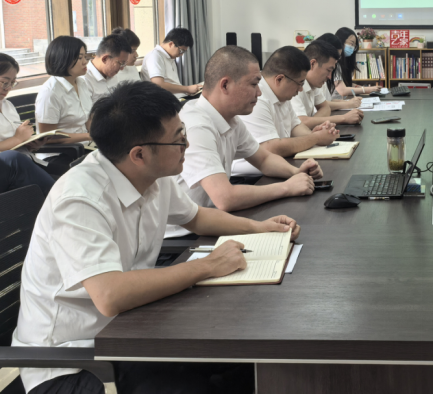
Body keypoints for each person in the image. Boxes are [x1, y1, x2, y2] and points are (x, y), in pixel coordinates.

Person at [12, 81, 300, 394]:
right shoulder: (80, 198)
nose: (187, 145)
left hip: (129, 329)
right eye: (178, 139)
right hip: (71, 358)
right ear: (139, 154)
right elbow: (110, 296)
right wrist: (208, 265)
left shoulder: (150, 174)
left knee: (245, 359)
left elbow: (196, 217)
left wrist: (259, 227)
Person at [174, 46, 320, 224]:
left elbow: (264, 159)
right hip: (189, 234)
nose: (259, 92)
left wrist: (296, 172)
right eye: (253, 84)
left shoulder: (232, 120)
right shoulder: (197, 126)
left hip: (214, 220)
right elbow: (225, 198)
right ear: (225, 85)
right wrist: (287, 187)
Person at [235, 47, 339, 164]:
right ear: (279, 79)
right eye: (300, 83)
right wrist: (316, 138)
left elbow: (295, 127)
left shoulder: (282, 95)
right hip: (250, 174)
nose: (300, 89)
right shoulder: (257, 98)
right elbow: (271, 148)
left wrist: (315, 135)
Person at [0, 53, 54, 196]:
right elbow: (11, 150)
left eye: (12, 83)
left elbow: (16, 144)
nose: (8, 88)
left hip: (24, 164)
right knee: (12, 158)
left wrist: (30, 144)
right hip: (8, 167)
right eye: (4, 82)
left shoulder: (8, 106)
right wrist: (17, 139)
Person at [291, 40, 364, 128]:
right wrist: (343, 118)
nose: (330, 77)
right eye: (328, 70)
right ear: (312, 64)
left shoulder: (314, 84)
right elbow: (301, 123)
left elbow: (326, 108)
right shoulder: (294, 85)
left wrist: (312, 123)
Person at [35, 36, 92, 145]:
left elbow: (88, 120)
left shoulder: (81, 83)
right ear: (64, 59)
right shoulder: (50, 92)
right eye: (80, 58)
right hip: (62, 151)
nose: (85, 62)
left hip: (85, 146)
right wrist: (89, 136)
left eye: (85, 57)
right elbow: (48, 137)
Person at [140, 27, 201, 98]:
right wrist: (187, 89)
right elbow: (158, 84)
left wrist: (187, 91)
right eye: (181, 51)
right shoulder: (154, 56)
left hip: (178, 97)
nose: (181, 54)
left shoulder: (169, 57)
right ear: (171, 44)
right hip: (165, 100)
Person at [316, 32, 362, 110]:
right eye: (336, 56)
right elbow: (322, 106)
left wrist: (348, 102)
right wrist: (348, 105)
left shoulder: (323, 78)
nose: (330, 76)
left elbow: (326, 102)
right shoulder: (310, 82)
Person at [83, 33, 132, 103]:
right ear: (105, 59)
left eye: (124, 64)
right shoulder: (85, 79)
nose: (122, 68)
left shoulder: (112, 73)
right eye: (121, 63)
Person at [333, 27, 381, 96]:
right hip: (335, 101)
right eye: (351, 44)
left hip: (344, 100)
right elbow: (343, 91)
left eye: (354, 46)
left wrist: (361, 87)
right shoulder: (334, 64)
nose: (352, 48)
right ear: (341, 41)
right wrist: (366, 90)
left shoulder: (345, 63)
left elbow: (347, 83)